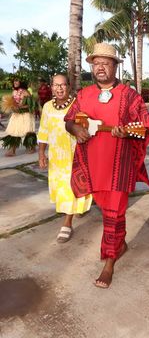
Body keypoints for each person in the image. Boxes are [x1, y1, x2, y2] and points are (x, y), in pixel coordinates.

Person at [64, 43, 149, 288]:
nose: (100, 67)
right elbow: (69, 120)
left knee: (114, 214)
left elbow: (146, 128)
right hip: (92, 166)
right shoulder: (84, 95)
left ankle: (109, 262)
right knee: (107, 212)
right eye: (96, 63)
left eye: (106, 62)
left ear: (116, 66)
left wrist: (127, 133)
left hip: (119, 166)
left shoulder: (130, 95)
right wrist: (74, 128)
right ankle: (120, 244)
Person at [38, 74, 93, 242]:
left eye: (62, 85)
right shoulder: (47, 107)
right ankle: (74, 209)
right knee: (61, 188)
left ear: (68, 86)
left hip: (75, 155)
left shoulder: (78, 105)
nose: (59, 88)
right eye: (56, 85)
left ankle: (67, 224)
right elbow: (43, 132)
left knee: (71, 187)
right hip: (57, 158)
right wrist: (41, 153)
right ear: (51, 87)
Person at [1, 79, 37, 156]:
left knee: (28, 131)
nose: (15, 82)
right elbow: (12, 102)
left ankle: (31, 147)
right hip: (16, 114)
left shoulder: (25, 92)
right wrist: (12, 106)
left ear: (21, 82)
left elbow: (32, 105)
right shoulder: (14, 92)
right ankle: (12, 150)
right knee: (13, 131)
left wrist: (21, 106)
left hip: (26, 114)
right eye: (14, 81)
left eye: (17, 81)